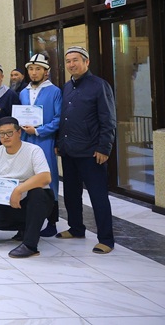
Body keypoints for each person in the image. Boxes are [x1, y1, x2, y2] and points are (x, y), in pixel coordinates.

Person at [57, 46, 117, 254]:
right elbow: (64, 119)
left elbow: (108, 119)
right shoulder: (67, 87)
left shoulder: (99, 85)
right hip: (69, 150)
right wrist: (59, 143)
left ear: (86, 62)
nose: (71, 64)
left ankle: (106, 239)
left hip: (91, 152)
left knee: (98, 196)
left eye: (75, 60)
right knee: (71, 194)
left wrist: (104, 147)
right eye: (68, 61)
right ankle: (76, 228)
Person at [0, 117, 54, 258]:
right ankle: (26, 228)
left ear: (19, 132)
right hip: (8, 202)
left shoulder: (33, 150)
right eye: (2, 133)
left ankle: (30, 245)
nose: (5, 137)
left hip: (34, 202)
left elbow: (45, 177)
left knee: (37, 193)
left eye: (9, 132)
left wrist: (19, 190)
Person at [18, 54, 61, 237]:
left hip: (44, 140)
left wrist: (38, 130)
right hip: (25, 141)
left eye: (38, 69)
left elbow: (58, 118)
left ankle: (52, 222)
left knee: (48, 179)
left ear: (46, 72)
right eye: (31, 69)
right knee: (25, 177)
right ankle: (25, 222)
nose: (34, 73)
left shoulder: (54, 91)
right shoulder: (23, 92)